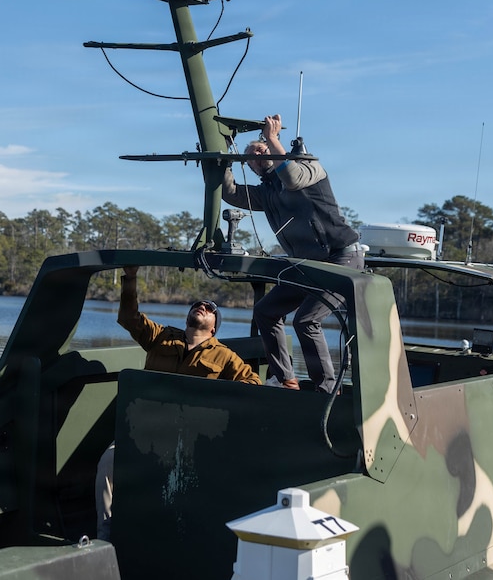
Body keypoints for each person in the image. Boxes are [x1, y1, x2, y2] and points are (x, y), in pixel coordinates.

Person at [96, 265, 260, 540]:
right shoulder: (161, 337)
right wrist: (131, 277)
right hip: (144, 427)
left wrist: (215, 396)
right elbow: (128, 318)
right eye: (197, 304)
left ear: (214, 326)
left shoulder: (224, 356)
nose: (202, 307)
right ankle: (104, 535)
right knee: (108, 462)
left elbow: (253, 383)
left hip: (189, 436)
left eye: (208, 308)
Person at [222, 114, 363, 393]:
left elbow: (293, 179)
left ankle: (325, 389)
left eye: (261, 150)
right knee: (266, 311)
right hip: (307, 265)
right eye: (250, 157)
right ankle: (286, 379)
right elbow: (231, 192)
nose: (257, 156)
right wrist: (226, 154)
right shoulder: (267, 193)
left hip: (340, 257)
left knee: (306, 320)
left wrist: (272, 139)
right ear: (249, 167)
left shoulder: (308, 166)